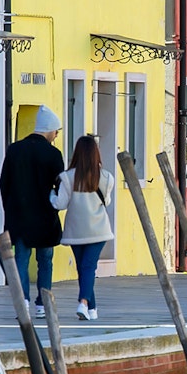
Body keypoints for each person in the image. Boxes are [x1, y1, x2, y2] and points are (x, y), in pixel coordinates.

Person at [0, 105, 64, 319]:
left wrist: (8, 208)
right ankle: (42, 302)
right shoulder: (53, 154)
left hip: (18, 215)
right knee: (45, 260)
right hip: (45, 216)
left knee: (21, 259)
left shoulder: (15, 149)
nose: (56, 136)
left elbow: (4, 183)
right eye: (56, 131)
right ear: (50, 130)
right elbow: (59, 186)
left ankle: (23, 301)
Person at [51, 135, 115, 321]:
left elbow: (60, 204)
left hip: (76, 230)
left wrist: (50, 196)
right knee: (87, 267)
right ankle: (91, 307)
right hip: (99, 230)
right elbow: (107, 201)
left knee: (84, 268)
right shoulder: (106, 178)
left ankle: (84, 303)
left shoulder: (67, 177)